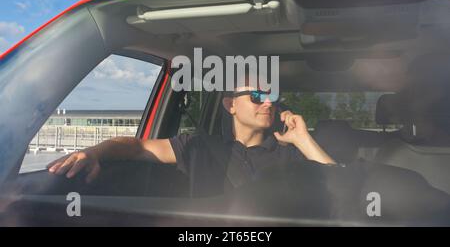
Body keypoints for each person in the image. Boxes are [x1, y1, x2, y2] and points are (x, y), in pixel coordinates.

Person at [47, 83, 336, 195]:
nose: (268, 103)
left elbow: (343, 185)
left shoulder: (292, 153)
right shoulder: (196, 146)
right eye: (257, 95)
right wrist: (96, 152)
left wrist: (302, 139)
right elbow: (136, 148)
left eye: (272, 97)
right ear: (230, 105)